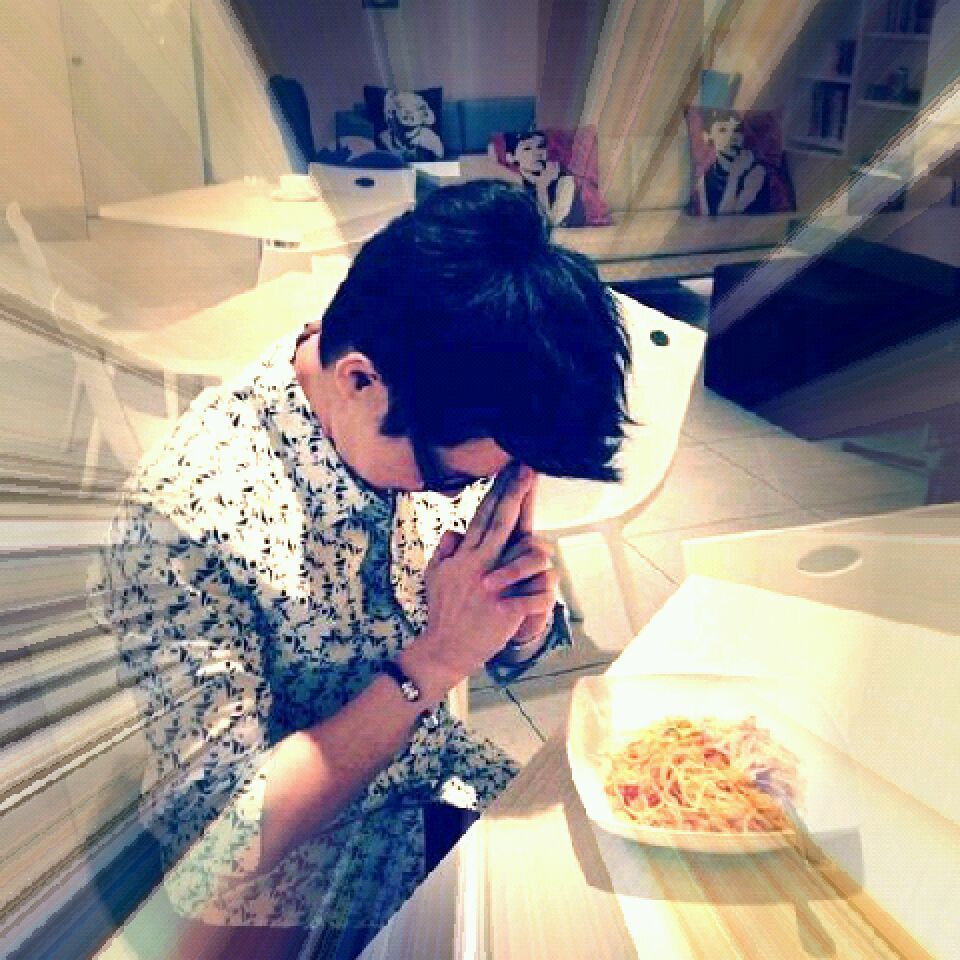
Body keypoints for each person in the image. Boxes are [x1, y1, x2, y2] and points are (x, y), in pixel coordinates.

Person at [94, 180, 630, 959]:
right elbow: (225, 839)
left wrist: (516, 622)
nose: (462, 494)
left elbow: (489, 649)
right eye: (451, 477)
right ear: (357, 380)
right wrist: (435, 662)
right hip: (292, 877)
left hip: (440, 785)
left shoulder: (430, 411)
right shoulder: (184, 520)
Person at [694, 109, 770, 216]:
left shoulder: (756, 171)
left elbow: (725, 219)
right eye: (723, 130)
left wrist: (734, 176)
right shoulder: (704, 175)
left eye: (737, 130)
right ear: (707, 136)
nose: (732, 137)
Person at [503, 130, 582, 227]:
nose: (537, 153)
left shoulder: (565, 181)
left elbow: (549, 226)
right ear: (510, 157)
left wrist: (542, 187)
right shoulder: (510, 186)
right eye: (527, 148)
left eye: (541, 146)